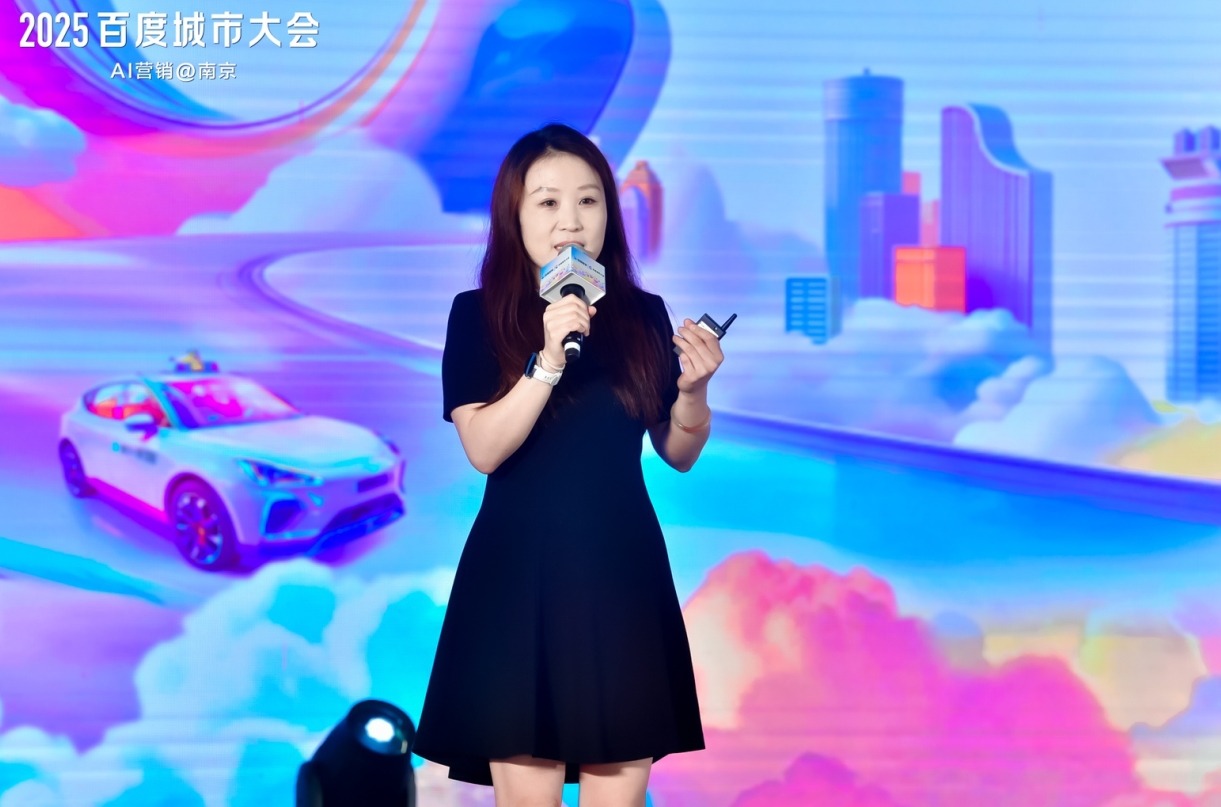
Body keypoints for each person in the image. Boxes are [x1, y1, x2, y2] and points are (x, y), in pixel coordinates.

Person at [412, 123, 723, 807]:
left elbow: (677, 452)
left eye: (588, 200)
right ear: (514, 216)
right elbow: (484, 448)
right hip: (515, 580)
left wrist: (694, 391)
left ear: (609, 212)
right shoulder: (477, 315)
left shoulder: (643, 316)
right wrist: (548, 361)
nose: (570, 222)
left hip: (621, 576)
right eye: (547, 202)